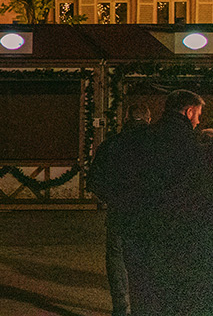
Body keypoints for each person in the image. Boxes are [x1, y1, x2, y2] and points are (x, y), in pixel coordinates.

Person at [122, 89, 213, 314]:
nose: (199, 120)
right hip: (186, 231)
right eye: (198, 114)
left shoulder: (142, 139)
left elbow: (117, 178)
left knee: (148, 293)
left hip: (144, 228)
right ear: (189, 111)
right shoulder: (195, 147)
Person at [85, 102, 150, 316]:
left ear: (125, 120)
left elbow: (94, 180)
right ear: (148, 119)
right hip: (149, 212)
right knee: (146, 258)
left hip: (120, 211)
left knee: (117, 257)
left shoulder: (112, 144)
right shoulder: (156, 144)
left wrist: (112, 198)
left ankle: (121, 307)